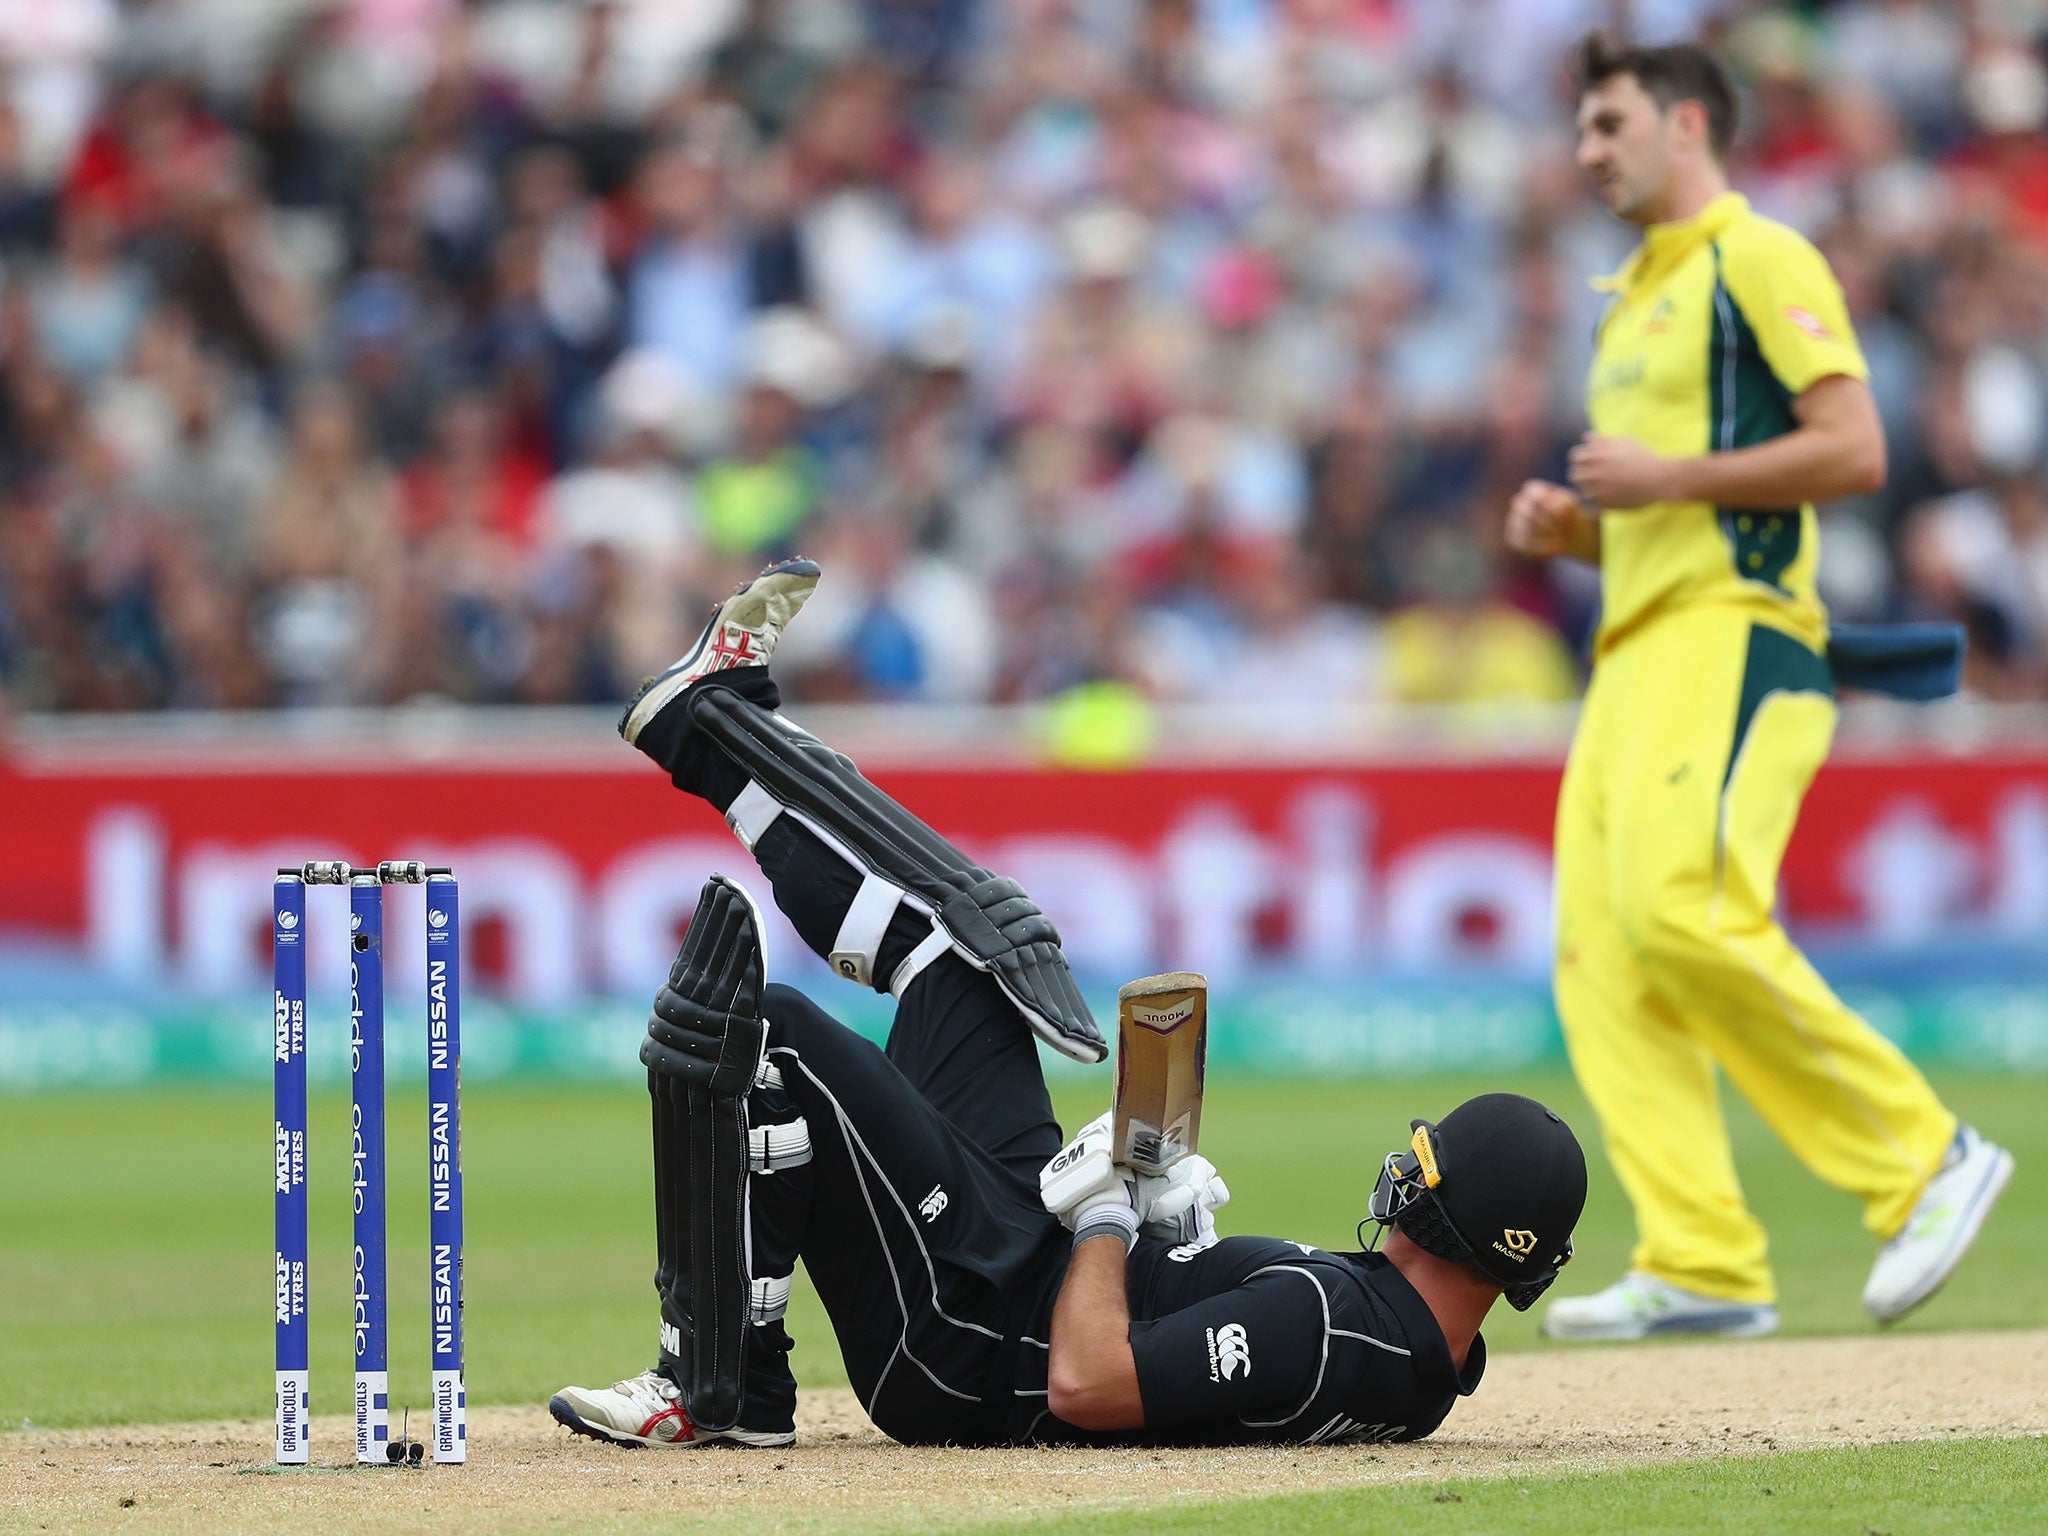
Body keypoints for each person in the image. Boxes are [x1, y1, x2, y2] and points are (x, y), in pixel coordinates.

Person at [548, 559, 1588, 1448]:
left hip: (971, 1339)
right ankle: (713, 724)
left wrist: (1104, 1215)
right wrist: (1163, 1233)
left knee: (770, 1032)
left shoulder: (1338, 1330)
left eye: (1424, 1163)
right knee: (976, 946)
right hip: (1018, 1274)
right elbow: (1207, 1355)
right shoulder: (1391, 1344)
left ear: (1449, 1211)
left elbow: (1087, 1386)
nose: (1403, 1169)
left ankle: (718, 1383)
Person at [1505, 33, 2013, 1342]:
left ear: (1687, 125)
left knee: (1684, 911)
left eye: (1610, 123)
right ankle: (1703, 1261)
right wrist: (1580, 527)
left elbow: (1852, 446)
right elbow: (1662, 503)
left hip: (1738, 637)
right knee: (1601, 959)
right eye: (1580, 128)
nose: (1588, 150)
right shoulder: (1627, 302)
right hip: (1631, 653)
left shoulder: (1758, 255)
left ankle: (1927, 1158)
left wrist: (1662, 484)